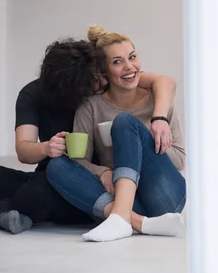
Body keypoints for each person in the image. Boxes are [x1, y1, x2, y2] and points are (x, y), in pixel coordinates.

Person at [0, 37, 177, 234]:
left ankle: (10, 208)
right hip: (60, 173)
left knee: (30, 198)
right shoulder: (35, 95)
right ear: (73, 86)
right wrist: (46, 147)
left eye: (101, 74)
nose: (102, 81)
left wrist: (159, 118)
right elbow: (23, 150)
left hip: (98, 184)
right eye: (94, 80)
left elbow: (163, 81)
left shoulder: (105, 82)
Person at [47, 26, 186, 242]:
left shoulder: (159, 100)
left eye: (132, 57)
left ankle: (120, 217)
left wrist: (144, 143)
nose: (129, 67)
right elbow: (80, 160)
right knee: (56, 166)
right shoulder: (91, 107)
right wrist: (102, 171)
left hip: (164, 199)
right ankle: (137, 222)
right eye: (117, 62)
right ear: (104, 72)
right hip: (127, 201)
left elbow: (180, 159)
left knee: (124, 123)